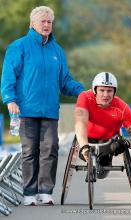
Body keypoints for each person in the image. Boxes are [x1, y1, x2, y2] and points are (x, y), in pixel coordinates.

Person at [1, 6, 84, 206]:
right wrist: (10, 98)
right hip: (26, 110)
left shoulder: (57, 51)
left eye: (49, 22)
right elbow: (8, 76)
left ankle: (45, 192)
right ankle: (29, 193)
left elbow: (65, 81)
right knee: (30, 151)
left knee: (50, 148)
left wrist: (83, 91)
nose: (46, 25)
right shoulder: (18, 47)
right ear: (32, 24)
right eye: (43, 21)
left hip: (49, 111)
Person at [75, 72, 131, 178]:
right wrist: (84, 147)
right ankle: (86, 151)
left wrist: (126, 143)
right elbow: (80, 122)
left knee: (101, 175)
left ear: (114, 91)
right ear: (95, 90)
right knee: (80, 124)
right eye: (102, 90)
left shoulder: (122, 108)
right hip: (86, 141)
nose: (106, 95)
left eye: (109, 91)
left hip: (108, 145)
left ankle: (104, 159)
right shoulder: (85, 97)